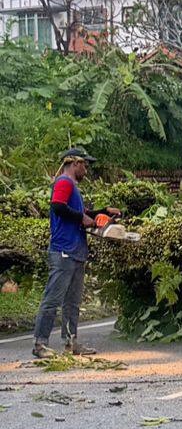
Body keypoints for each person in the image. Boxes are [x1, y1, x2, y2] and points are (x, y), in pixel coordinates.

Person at [33, 148, 119, 359]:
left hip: (76, 251)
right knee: (53, 299)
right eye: (85, 164)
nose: (87, 169)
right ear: (74, 164)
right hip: (64, 250)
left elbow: (80, 213)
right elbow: (58, 207)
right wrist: (81, 218)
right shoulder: (64, 182)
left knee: (72, 301)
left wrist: (102, 212)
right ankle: (40, 344)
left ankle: (71, 343)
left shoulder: (73, 187)